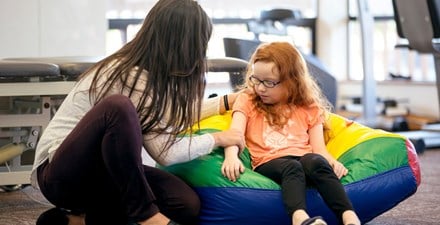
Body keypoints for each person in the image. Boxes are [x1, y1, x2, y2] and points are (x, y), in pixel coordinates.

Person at [31, 0, 245, 225]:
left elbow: (167, 117)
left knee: (184, 203)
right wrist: (218, 138)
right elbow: (166, 152)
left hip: (102, 173)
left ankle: (74, 219)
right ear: (184, 43)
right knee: (118, 107)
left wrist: (225, 102)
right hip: (61, 176)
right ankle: (146, 216)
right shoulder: (128, 75)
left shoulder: (155, 75)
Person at [220, 42, 361, 225]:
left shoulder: (308, 106)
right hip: (268, 162)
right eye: (256, 79)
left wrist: (331, 161)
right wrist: (231, 156)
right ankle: (299, 218)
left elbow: (318, 149)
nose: (261, 88)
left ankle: (349, 216)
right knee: (291, 167)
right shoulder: (248, 100)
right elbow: (235, 133)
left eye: (269, 82)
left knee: (316, 161)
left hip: (303, 158)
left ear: (291, 81)